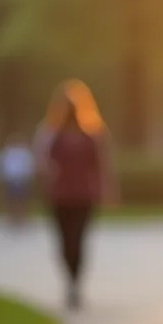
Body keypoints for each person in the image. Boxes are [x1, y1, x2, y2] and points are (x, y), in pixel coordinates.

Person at [35, 79, 113, 311]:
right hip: (60, 196)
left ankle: (75, 283)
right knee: (65, 241)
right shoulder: (52, 135)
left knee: (78, 240)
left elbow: (100, 166)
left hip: (82, 196)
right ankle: (70, 280)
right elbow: (42, 162)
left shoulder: (92, 136)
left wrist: (105, 190)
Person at [0, 132, 37, 228]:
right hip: (10, 180)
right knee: (10, 199)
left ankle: (22, 218)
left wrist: (30, 177)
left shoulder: (25, 153)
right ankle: (11, 218)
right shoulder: (5, 152)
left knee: (22, 200)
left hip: (23, 179)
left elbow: (31, 166)